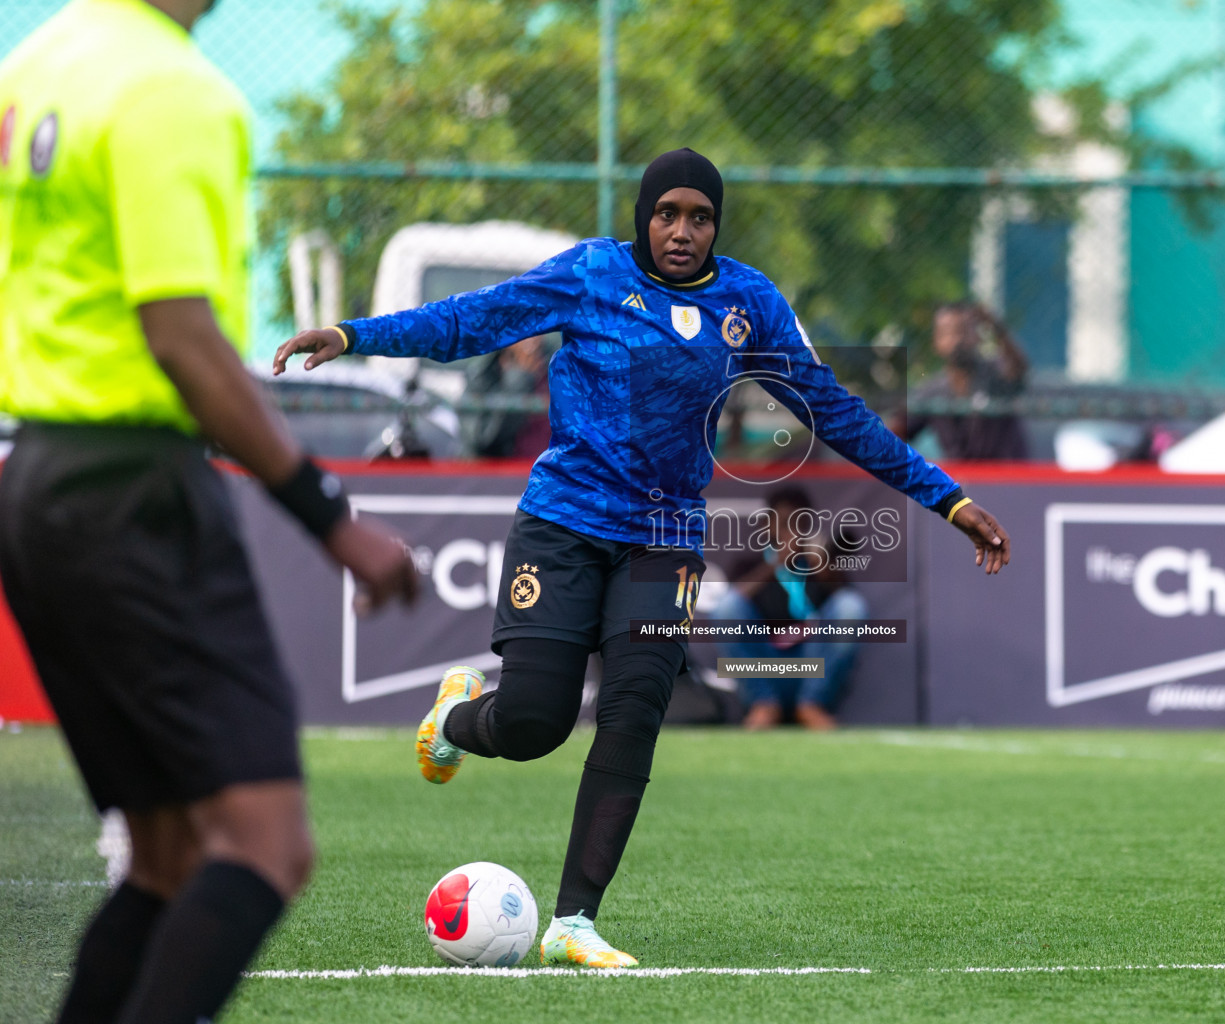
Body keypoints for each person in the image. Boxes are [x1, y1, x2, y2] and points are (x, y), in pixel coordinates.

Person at [273, 147, 1011, 968]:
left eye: (699, 217)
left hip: (666, 540)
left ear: (717, 226)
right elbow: (471, 320)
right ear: (643, 217)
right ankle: (454, 716)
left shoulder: (749, 301)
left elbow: (836, 411)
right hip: (563, 525)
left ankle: (574, 924)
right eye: (667, 214)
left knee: (632, 712)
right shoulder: (590, 275)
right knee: (532, 726)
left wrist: (949, 497)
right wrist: (354, 333)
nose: (682, 231)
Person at [0, 2, 420, 1022]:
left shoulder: (40, 61)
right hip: (136, 497)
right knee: (267, 844)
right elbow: (183, 338)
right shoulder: (175, 91)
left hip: (37, 482)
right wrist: (331, 517)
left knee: (166, 854)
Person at [715, 486, 868, 731]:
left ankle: (813, 704)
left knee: (851, 605)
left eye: (800, 523)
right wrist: (776, 563)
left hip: (812, 666)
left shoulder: (820, 564)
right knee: (727, 606)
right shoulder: (751, 563)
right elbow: (730, 607)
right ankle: (762, 704)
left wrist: (822, 568)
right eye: (785, 523)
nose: (792, 532)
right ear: (768, 525)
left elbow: (846, 610)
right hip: (767, 667)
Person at [904, 302, 1030, 460]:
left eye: (963, 331)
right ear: (936, 342)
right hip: (959, 480)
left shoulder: (996, 375)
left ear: (977, 336)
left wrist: (996, 328)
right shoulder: (932, 391)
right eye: (947, 333)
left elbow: (1019, 368)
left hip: (1004, 478)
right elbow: (898, 429)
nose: (957, 340)